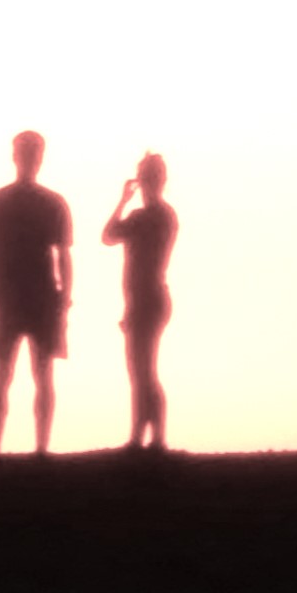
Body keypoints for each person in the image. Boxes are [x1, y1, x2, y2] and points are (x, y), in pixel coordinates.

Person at [0, 131, 73, 455]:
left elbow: (63, 256)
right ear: (17, 157)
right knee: (8, 374)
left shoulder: (49, 203)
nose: (30, 160)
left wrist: (63, 299)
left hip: (35, 297)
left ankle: (35, 448)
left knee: (36, 374)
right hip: (14, 298)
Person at [102, 152, 177, 449]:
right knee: (143, 370)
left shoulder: (146, 216)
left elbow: (108, 236)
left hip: (147, 298)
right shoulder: (164, 215)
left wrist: (122, 201)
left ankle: (147, 437)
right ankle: (149, 436)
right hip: (150, 297)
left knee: (142, 370)